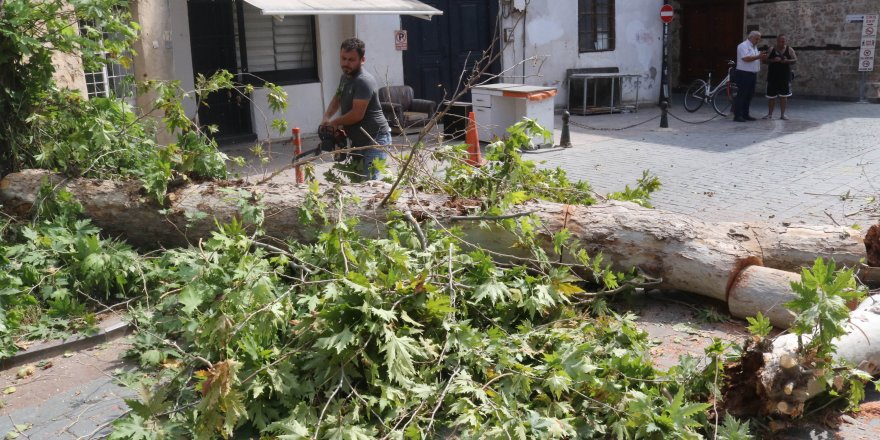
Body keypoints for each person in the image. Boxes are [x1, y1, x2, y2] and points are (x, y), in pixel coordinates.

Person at [321, 38, 391, 181]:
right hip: (357, 141)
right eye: (343, 58)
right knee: (357, 181)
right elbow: (337, 98)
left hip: (375, 139)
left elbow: (357, 114)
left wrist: (335, 123)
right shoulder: (345, 77)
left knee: (369, 183)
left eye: (351, 60)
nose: (346, 63)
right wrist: (326, 118)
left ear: (362, 59)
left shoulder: (363, 81)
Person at [732, 30, 768, 122]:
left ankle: (745, 114)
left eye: (759, 39)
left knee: (749, 95)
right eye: (757, 39)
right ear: (750, 37)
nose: (758, 41)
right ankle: (737, 115)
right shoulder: (743, 46)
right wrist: (758, 57)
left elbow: (755, 58)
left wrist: (761, 57)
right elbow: (745, 58)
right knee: (742, 95)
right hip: (744, 73)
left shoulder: (754, 47)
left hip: (752, 74)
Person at [762, 34, 797, 120]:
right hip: (773, 76)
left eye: (784, 41)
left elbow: (795, 59)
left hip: (785, 77)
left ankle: (782, 115)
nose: (782, 43)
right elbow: (764, 60)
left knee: (784, 96)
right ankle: (769, 114)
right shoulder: (771, 49)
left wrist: (787, 61)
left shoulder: (789, 49)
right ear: (777, 41)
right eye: (781, 41)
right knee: (771, 97)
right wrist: (773, 60)